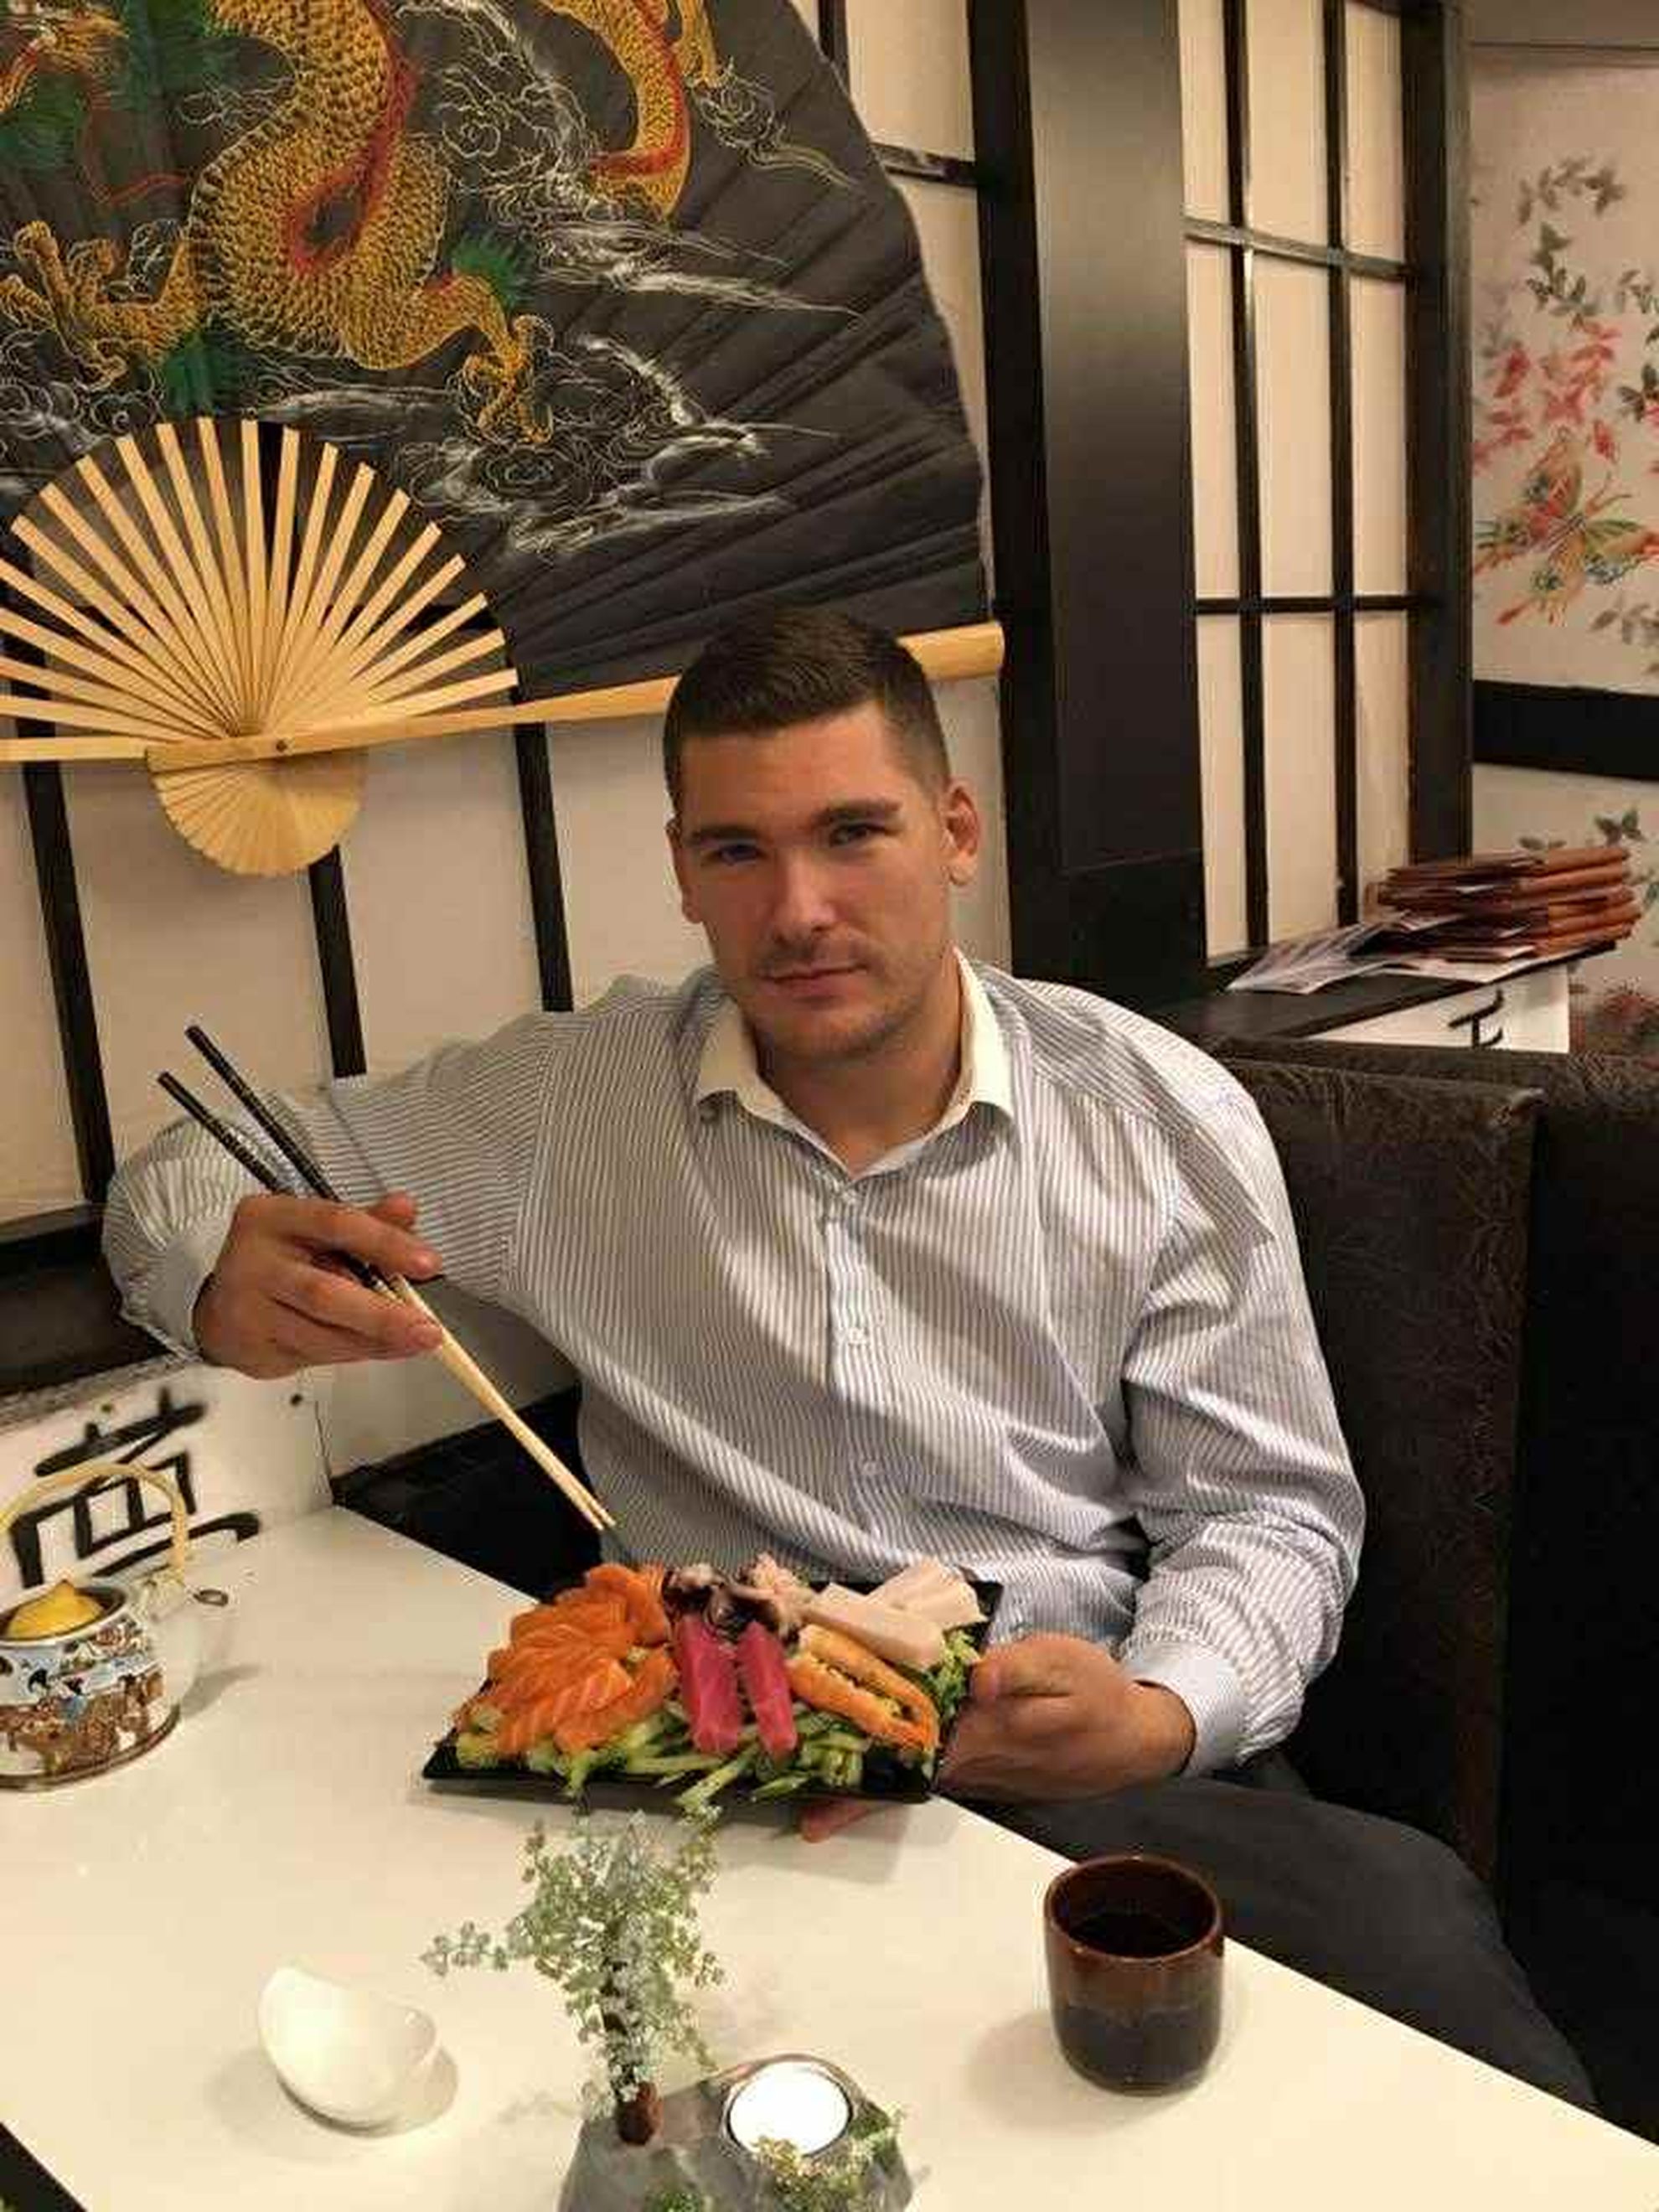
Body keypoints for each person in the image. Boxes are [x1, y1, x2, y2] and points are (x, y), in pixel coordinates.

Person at [104, 607, 1592, 2107]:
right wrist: (217, 1278)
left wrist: (1156, 1712)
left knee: (1417, 1964)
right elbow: (193, 1161)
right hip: (710, 1769)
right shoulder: (569, 1107)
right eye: (738, 852)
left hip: (1056, 1759)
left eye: (852, 833)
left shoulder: (1153, 1116)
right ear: (683, 870)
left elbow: (1267, 1511)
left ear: (955, 831)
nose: (799, 909)